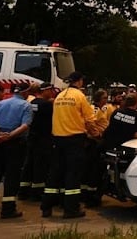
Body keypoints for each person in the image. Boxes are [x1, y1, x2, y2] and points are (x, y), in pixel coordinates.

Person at [40, 71, 99, 220]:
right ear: (78, 82)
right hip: (74, 140)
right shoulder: (80, 96)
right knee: (73, 174)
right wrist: (96, 134)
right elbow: (90, 119)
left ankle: (46, 207)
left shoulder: (60, 96)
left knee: (54, 173)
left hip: (58, 139)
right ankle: (71, 209)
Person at [0, 83, 33, 219]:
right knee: (12, 176)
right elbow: (25, 125)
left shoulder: (1, 104)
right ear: (25, 92)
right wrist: (9, 135)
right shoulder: (26, 106)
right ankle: (8, 209)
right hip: (15, 144)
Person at [18, 82, 54, 201]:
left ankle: (23, 191)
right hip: (44, 139)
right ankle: (37, 192)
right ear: (44, 91)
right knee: (41, 166)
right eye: (50, 90)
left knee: (29, 164)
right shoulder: (47, 105)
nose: (52, 92)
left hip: (32, 138)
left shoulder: (31, 103)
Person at [81, 89, 110, 206]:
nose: (106, 100)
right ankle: (89, 196)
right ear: (98, 99)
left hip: (95, 141)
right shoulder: (95, 110)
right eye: (104, 98)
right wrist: (97, 135)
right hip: (94, 142)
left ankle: (88, 194)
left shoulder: (101, 109)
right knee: (92, 169)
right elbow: (90, 123)